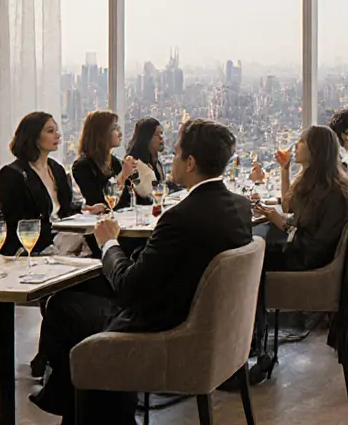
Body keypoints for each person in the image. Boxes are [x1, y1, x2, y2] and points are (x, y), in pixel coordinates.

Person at [31, 119, 255, 423]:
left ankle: (76, 404)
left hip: (164, 324)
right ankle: (80, 401)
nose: (170, 159)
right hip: (204, 321)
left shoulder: (180, 218)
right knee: (78, 291)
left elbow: (129, 289)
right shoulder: (239, 207)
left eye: (175, 154)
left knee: (62, 305)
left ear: (190, 163)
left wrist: (110, 243)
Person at [0, 112, 106, 257]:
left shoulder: (56, 168)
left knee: (107, 240)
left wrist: (86, 210)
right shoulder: (12, 174)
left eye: (56, 130)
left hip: (64, 237)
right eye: (50, 131)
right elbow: (18, 223)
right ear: (33, 137)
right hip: (36, 245)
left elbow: (63, 208)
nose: (58, 135)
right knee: (99, 246)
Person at [256, 125, 348, 272]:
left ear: (315, 150)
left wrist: (282, 223)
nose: (296, 144)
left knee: (255, 253)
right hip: (308, 254)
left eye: (302, 141)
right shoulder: (320, 183)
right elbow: (289, 208)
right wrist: (284, 170)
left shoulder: (330, 193)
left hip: (309, 260)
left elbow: (312, 244)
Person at [71, 110, 138, 210]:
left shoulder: (114, 161)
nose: (120, 133)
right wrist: (123, 175)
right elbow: (98, 203)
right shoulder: (82, 166)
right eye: (115, 128)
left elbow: (129, 199)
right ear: (101, 133)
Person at [125, 117, 166, 202]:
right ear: (146, 138)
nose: (161, 137)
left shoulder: (157, 164)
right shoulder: (135, 164)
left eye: (161, 133)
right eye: (156, 134)